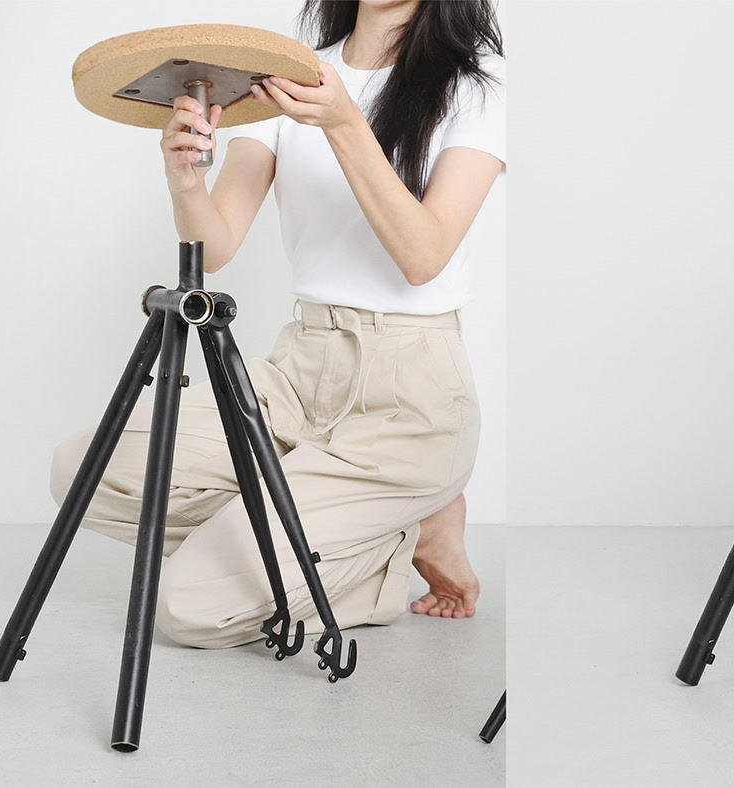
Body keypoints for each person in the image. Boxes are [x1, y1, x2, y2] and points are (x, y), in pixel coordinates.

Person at [51, 0, 505, 647]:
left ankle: (398, 543)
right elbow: (214, 246)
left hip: (412, 400)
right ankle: (350, 524)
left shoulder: (475, 82)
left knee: (188, 604)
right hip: (298, 374)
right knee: (81, 469)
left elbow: (423, 256)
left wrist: (345, 118)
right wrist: (184, 178)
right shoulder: (292, 75)